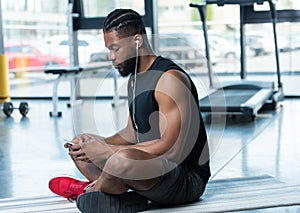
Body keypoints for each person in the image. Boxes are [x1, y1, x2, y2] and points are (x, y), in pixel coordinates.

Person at [49, 8, 210, 213]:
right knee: (83, 145)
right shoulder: (135, 78)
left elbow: (173, 151)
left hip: (184, 179)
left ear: (137, 41)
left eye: (115, 48)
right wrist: (96, 143)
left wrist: (107, 152)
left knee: (121, 160)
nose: (111, 56)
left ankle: (89, 190)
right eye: (109, 49)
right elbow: (132, 132)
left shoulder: (170, 80)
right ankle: (126, 198)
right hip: (148, 171)